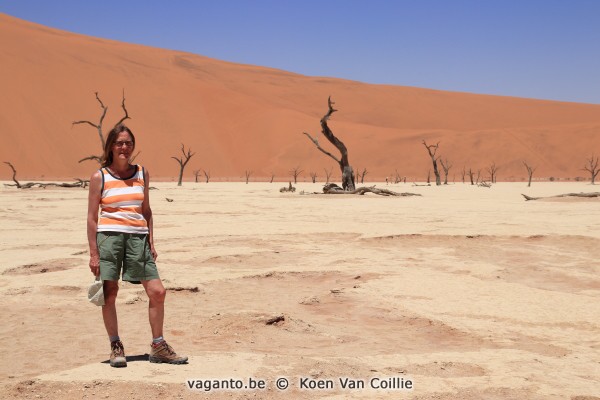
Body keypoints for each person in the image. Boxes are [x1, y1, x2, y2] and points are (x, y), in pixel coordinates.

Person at [87, 124, 187, 367]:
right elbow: (91, 217)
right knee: (109, 294)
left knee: (157, 291)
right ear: (111, 145)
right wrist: (93, 253)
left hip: (138, 239)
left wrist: (151, 240)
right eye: (120, 142)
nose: (124, 147)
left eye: (128, 143)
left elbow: (147, 210)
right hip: (109, 238)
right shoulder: (100, 176)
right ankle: (116, 346)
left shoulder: (142, 172)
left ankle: (158, 345)